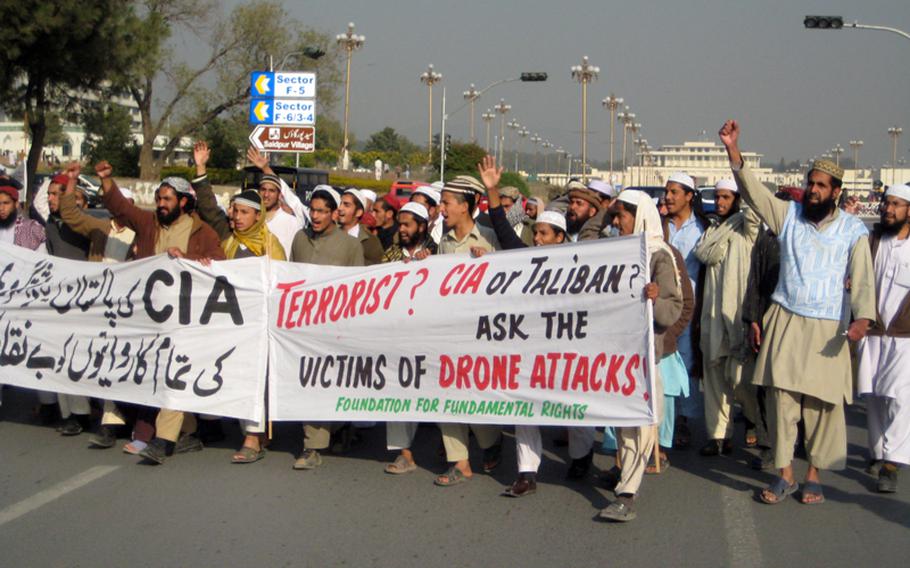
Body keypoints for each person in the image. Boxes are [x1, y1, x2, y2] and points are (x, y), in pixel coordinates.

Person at [719, 120, 875, 505]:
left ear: (836, 192)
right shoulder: (788, 216)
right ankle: (784, 475)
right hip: (786, 320)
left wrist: (861, 319)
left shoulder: (854, 230)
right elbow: (753, 193)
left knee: (821, 407)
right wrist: (733, 150)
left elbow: (864, 279)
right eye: (812, 184)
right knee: (783, 402)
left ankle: (813, 475)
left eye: (822, 186)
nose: (814, 190)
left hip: (828, 328)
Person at [474, 155, 595, 496]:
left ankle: (581, 456)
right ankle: (527, 472)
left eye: (543, 234)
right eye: (536, 233)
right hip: (529, 346)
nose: (537, 239)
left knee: (574, 404)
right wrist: (492, 189)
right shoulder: (524, 258)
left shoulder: (579, 265)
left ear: (560, 237)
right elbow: (499, 226)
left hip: (565, 347)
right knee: (524, 407)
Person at [95, 160, 226, 464]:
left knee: (174, 374)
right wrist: (106, 180)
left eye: (167, 199)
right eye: (158, 199)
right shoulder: (149, 223)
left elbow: (219, 264)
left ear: (183, 201)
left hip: (184, 318)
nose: (161, 204)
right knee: (154, 373)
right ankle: (188, 433)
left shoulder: (201, 231)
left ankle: (164, 441)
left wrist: (189, 257)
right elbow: (122, 208)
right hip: (149, 316)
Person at [598, 189, 683, 522]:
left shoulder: (659, 256)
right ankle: (624, 473)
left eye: (623, 216)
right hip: (617, 352)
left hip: (645, 356)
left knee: (640, 426)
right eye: (616, 216)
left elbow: (671, 309)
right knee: (622, 422)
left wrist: (654, 298)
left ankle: (627, 493)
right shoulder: (614, 251)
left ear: (641, 216)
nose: (617, 222)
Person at [56, 162, 138, 448]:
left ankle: (113, 423)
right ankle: (100, 417)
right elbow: (69, 214)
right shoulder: (101, 227)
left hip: (127, 312)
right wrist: (70, 180)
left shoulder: (142, 235)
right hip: (96, 308)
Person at [433, 174, 502, 486]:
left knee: (476, 395)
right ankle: (459, 462)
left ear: (465, 206)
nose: (442, 208)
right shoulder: (444, 242)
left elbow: (515, 275)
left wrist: (493, 262)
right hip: (450, 333)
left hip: (484, 334)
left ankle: (491, 439)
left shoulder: (489, 236)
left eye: (447, 202)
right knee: (445, 395)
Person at [290, 186, 365, 470]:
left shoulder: (350, 246)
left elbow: (359, 290)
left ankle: (340, 424)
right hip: (303, 327)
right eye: (313, 210)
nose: (316, 216)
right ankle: (313, 446)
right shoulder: (300, 239)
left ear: (335, 214)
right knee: (310, 381)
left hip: (336, 327)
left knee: (331, 383)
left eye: (322, 211)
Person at [694, 179, 763, 456]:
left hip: (737, 317)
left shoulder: (745, 230)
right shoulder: (712, 231)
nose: (721, 203)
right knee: (714, 379)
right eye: (718, 197)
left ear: (737, 199)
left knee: (742, 379)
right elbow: (703, 255)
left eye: (726, 197)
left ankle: (756, 423)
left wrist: (739, 172)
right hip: (711, 315)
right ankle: (718, 435)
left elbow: (755, 211)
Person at [857, 183, 910, 493]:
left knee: (900, 398)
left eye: (896, 204)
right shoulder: (874, 240)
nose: (888, 209)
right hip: (874, 330)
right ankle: (878, 452)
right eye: (887, 203)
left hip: (905, 335)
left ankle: (893, 462)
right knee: (874, 394)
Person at [664, 171, 707, 448]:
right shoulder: (659, 225)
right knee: (664, 360)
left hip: (691, 307)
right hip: (662, 305)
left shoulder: (703, 229)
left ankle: (684, 419)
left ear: (689, 196)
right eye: (666, 192)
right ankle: (664, 418)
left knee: (688, 362)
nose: (668, 197)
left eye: (674, 193)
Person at [0, 183, 46, 412]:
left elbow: (44, 265)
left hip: (23, 302)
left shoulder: (32, 229)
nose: (1, 208)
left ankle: (48, 404)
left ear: (16, 204)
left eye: (6, 203)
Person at [245, 148, 308, 258]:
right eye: (263, 190)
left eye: (271, 191)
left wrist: (266, 168)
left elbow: (291, 198)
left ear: (279, 195)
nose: (266, 195)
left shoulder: (292, 222)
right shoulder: (251, 220)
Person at [339, 188, 384, 265]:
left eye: (346, 205)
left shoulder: (370, 241)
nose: (340, 208)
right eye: (340, 204)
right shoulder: (329, 234)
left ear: (358, 212)